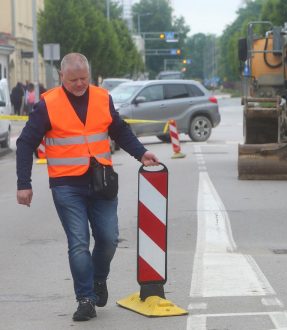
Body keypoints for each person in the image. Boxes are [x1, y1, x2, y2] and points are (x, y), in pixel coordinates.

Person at [15, 53, 160, 322]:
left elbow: (119, 130)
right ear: (62, 77)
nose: (80, 84)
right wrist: (24, 184)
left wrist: (141, 153)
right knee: (79, 243)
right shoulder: (48, 104)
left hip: (102, 181)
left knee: (108, 239)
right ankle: (85, 299)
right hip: (67, 185)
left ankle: (98, 279)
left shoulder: (102, 97)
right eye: (74, 80)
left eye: (84, 78)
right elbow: (24, 144)